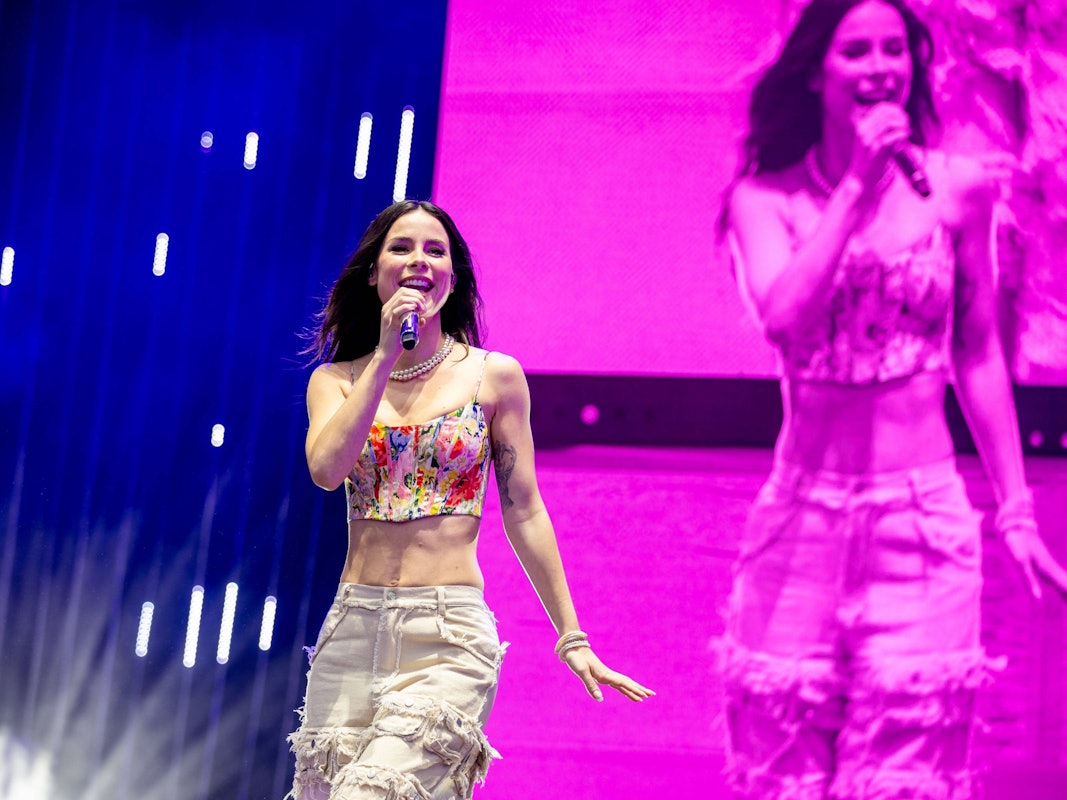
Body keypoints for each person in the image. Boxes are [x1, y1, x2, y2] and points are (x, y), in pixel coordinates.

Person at [718, 1, 1067, 797]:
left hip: (922, 522)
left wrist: (1014, 510)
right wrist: (854, 187)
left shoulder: (960, 190)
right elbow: (782, 317)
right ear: (815, 71)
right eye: (855, 52)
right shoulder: (762, 200)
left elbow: (976, 353)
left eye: (894, 50)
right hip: (800, 525)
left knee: (906, 780)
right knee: (783, 773)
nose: (880, 68)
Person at [285, 199, 653, 800]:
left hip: (447, 635)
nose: (418, 262)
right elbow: (327, 470)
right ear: (374, 274)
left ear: (452, 280)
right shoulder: (338, 381)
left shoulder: (493, 377)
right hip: (352, 629)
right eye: (401, 249)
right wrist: (383, 358)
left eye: (436, 251)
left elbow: (524, 508)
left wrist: (572, 636)